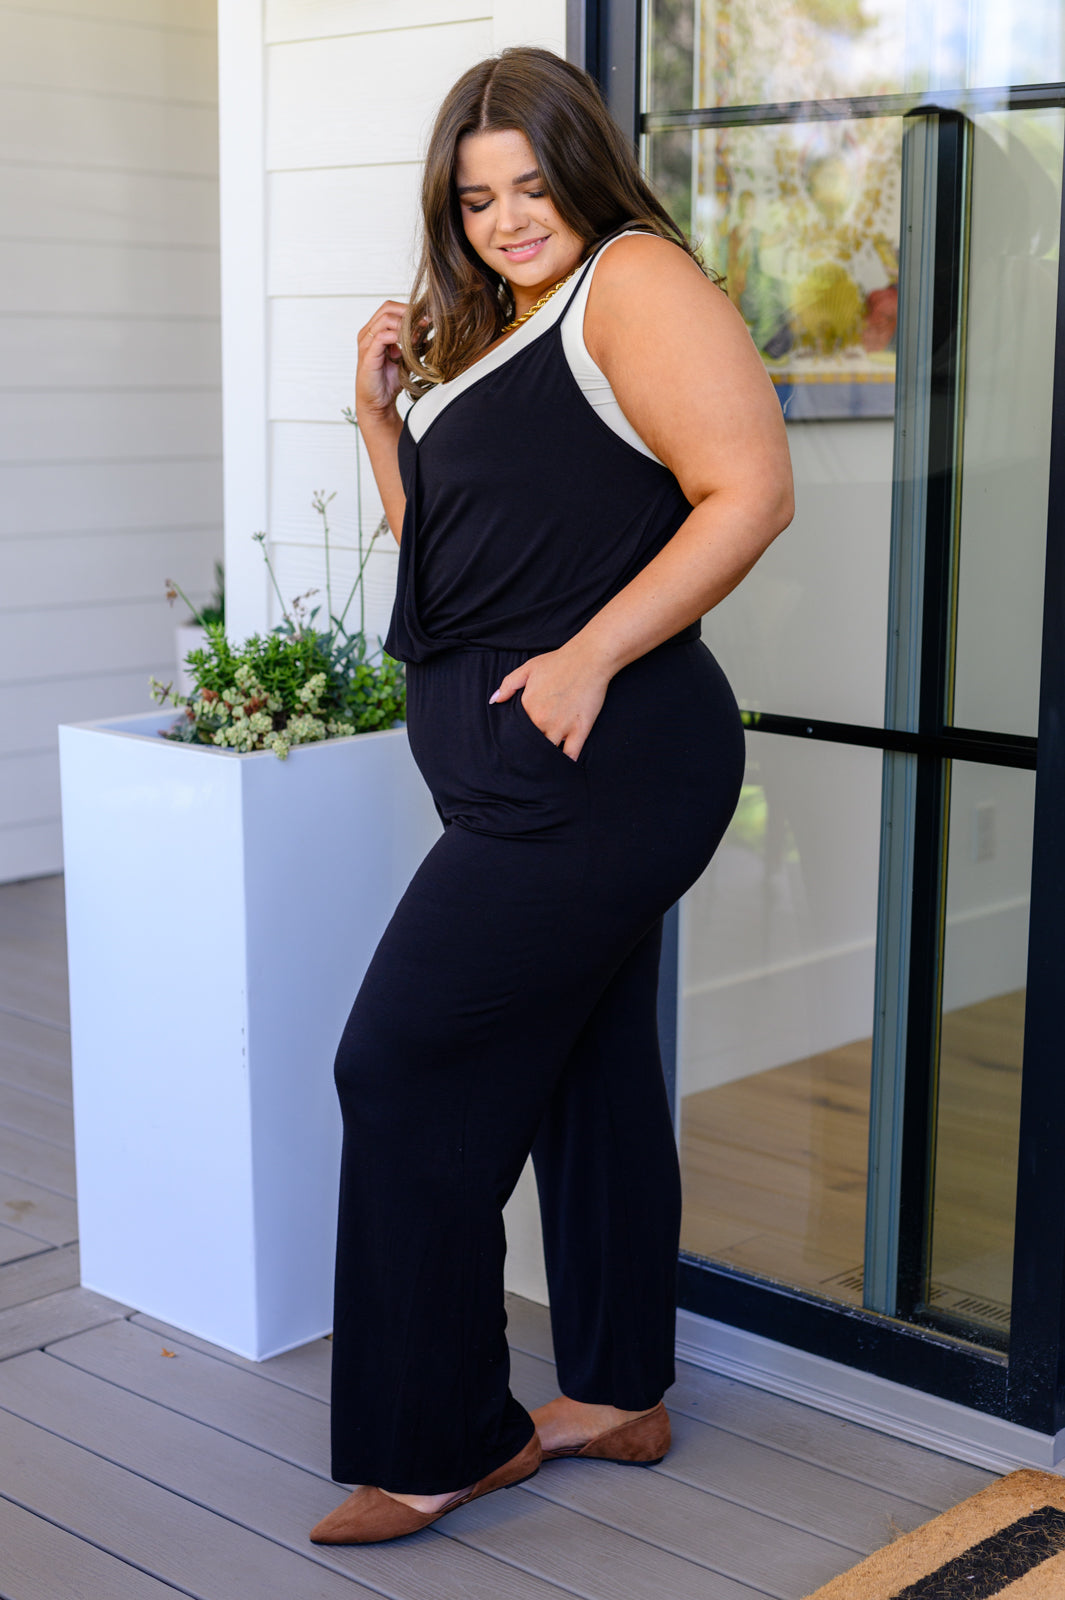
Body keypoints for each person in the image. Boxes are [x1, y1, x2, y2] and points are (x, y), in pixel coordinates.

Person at [310, 46, 793, 1546]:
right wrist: (383, 429)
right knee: (586, 1069)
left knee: (397, 1067)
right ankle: (618, 1391)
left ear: (582, 169)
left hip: (603, 768)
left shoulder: (633, 279)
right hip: (527, 776)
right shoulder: (516, 326)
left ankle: (447, 1439)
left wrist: (589, 654)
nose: (508, 219)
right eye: (475, 201)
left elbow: (751, 489)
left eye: (530, 186)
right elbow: (462, 569)